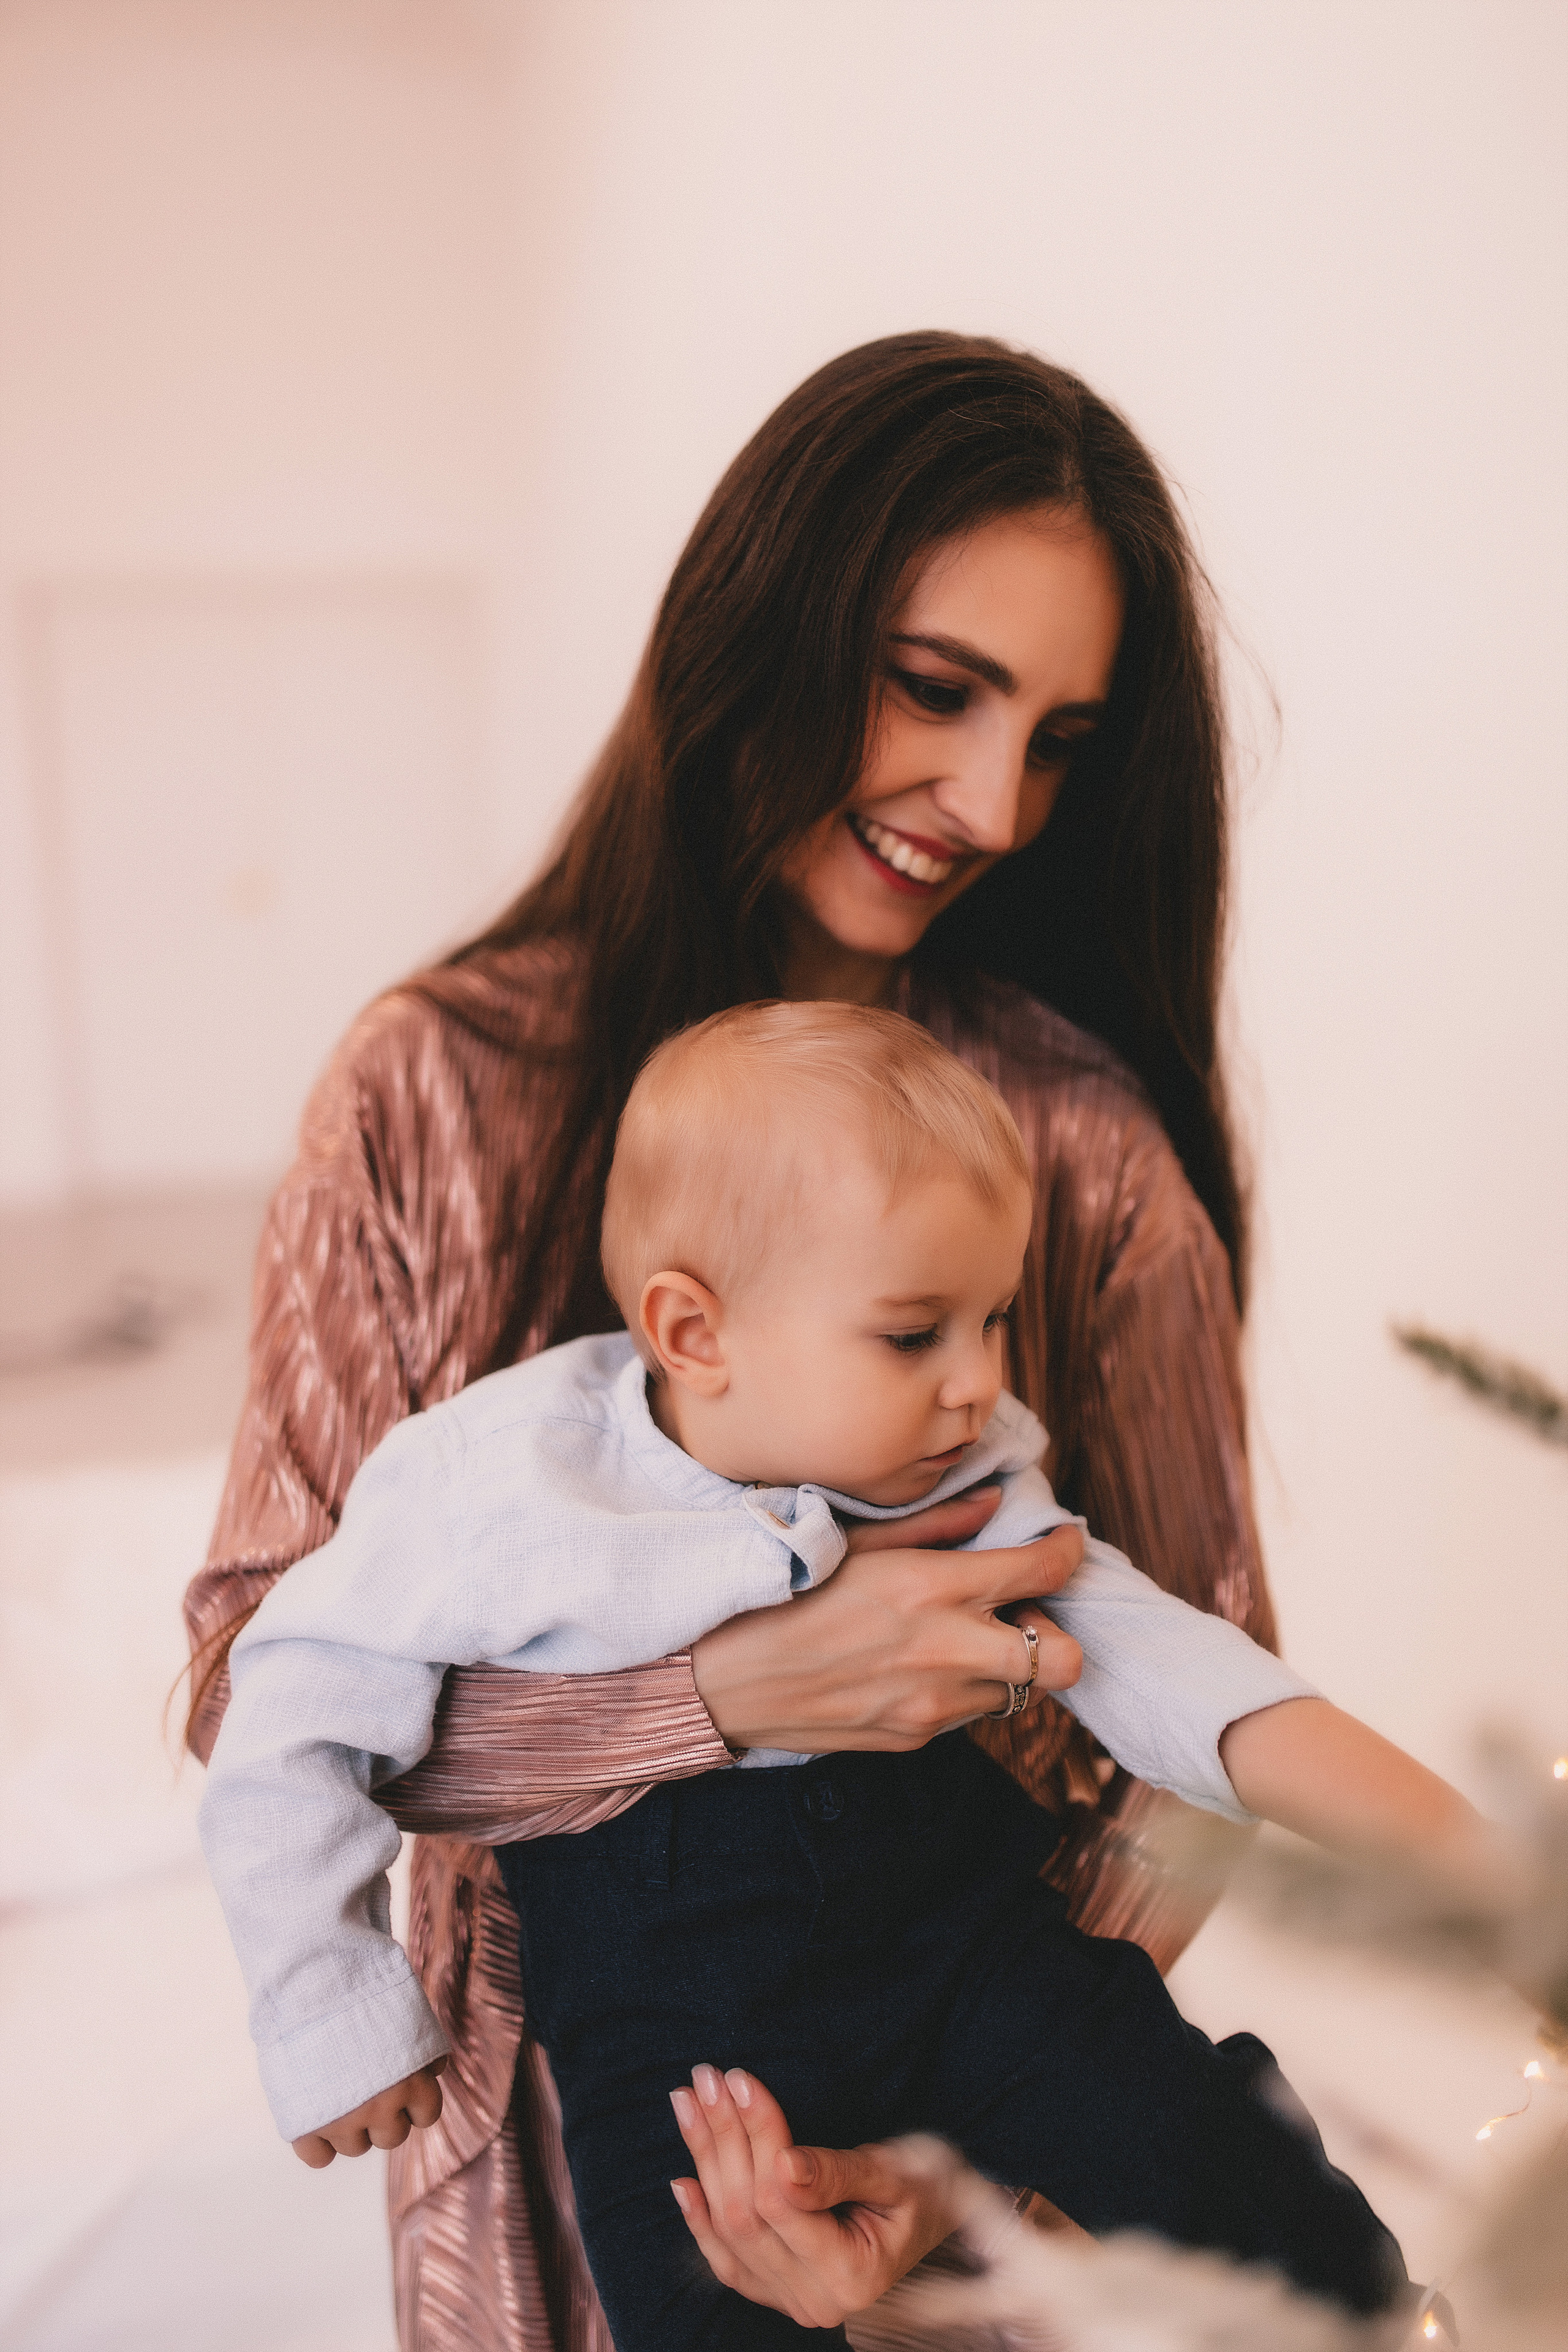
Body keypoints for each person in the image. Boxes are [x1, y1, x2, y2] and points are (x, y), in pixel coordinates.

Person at [184, 332, 1306, 2350]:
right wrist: (726, 1693)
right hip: (549, 2167)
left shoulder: (1079, 1142)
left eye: (1056, 739)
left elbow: (1204, 1731)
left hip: (963, 2209)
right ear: (762, 626)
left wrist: (962, 2172)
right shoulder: (431, 1095)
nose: (989, 802)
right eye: (937, 688)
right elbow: (254, 1673)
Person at [198, 1002, 1477, 2343]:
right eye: (915, 1334)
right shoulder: (504, 1483)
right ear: (693, 1335)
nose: (978, 1381)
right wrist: (331, 2007)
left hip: (964, 1958)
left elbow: (1186, 1676)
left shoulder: (963, 1482)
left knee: (1192, 2121)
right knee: (690, 2297)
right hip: (680, 2058)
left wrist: (1478, 1870)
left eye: (992, 1317)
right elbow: (289, 1705)